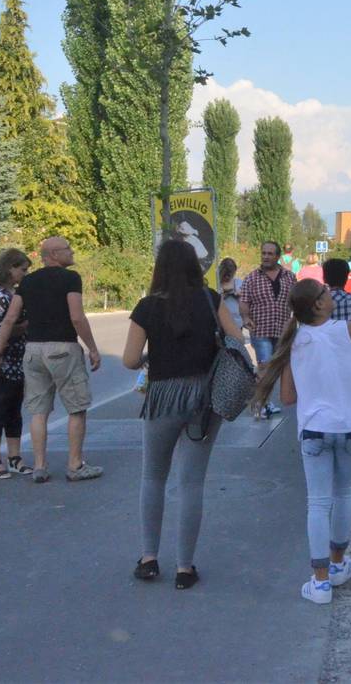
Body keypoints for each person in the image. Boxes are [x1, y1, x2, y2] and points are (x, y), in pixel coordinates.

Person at [123, 239, 249, 589]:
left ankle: (149, 559)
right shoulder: (211, 299)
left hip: (162, 398)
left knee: (153, 477)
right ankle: (184, 568)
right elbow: (236, 339)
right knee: (191, 482)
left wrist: (153, 357)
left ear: (159, 269)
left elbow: (130, 360)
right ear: (195, 266)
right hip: (205, 399)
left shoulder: (146, 307)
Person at [251, 279, 351, 605]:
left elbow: (288, 397)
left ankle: (320, 582)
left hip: (314, 430)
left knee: (318, 503)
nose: (330, 295)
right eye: (324, 293)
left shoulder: (294, 340)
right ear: (318, 305)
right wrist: (345, 384)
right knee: (344, 493)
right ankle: (338, 565)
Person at [0, 236, 102, 483]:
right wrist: (92, 348)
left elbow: (9, 319)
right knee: (76, 408)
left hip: (33, 351)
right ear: (53, 254)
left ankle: (40, 466)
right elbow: (77, 317)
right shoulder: (71, 279)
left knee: (39, 412)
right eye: (67, 249)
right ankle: (74, 465)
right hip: (63, 348)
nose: (72, 252)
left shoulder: (28, 282)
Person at [0, 248, 34, 479]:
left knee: (14, 410)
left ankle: (15, 457)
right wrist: (25, 326)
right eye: (22, 270)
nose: (24, 274)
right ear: (9, 268)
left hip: (18, 361)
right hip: (2, 360)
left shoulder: (14, 295)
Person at [238, 240, 292, 419]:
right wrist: (246, 317)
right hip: (260, 330)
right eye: (264, 253)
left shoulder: (289, 277)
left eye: (270, 254)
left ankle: (265, 402)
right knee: (264, 367)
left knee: (274, 369)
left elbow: (296, 300)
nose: (266, 256)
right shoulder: (252, 278)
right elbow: (244, 301)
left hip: (282, 330)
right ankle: (258, 404)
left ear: (277, 256)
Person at [218, 258, 244, 333]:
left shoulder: (238, 282)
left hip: (236, 322)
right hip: (220, 322)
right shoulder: (217, 283)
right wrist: (224, 293)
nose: (227, 277)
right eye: (225, 275)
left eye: (229, 275)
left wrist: (235, 293)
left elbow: (244, 295)